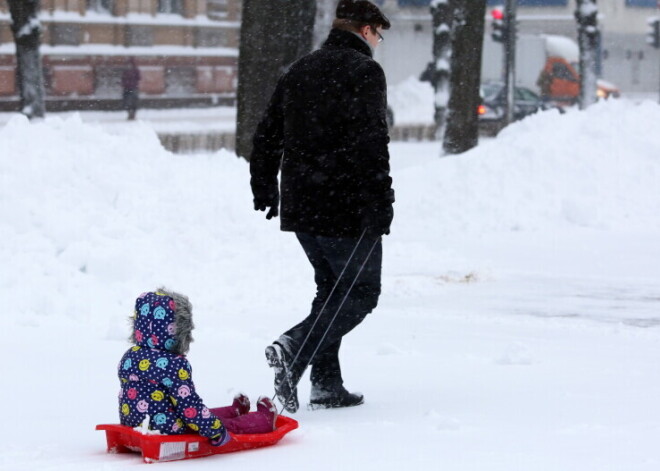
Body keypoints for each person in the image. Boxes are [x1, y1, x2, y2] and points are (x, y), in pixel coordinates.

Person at [249, 0, 394, 413]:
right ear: (366, 30)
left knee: (332, 290)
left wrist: (264, 186)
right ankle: (295, 348)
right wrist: (381, 202)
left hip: (303, 204)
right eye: (378, 34)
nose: (378, 42)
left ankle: (327, 384)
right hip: (346, 205)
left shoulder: (301, 68)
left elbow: (267, 134)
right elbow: (372, 142)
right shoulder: (364, 72)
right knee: (361, 292)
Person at [117, 289, 277, 445]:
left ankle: (233, 412)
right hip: (170, 430)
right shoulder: (173, 364)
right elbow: (189, 409)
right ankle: (263, 421)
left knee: (203, 415)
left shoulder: (129, 356)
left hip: (135, 423)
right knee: (212, 422)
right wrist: (217, 431)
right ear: (178, 329)